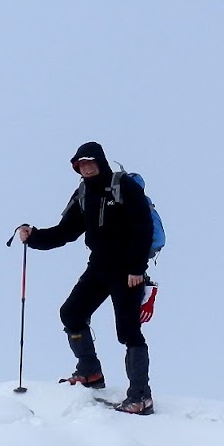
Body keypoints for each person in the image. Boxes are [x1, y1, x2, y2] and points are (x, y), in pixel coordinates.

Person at [16, 142, 154, 415]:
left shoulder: (124, 187)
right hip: (99, 267)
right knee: (72, 314)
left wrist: (137, 269)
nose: (86, 167)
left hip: (128, 272)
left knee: (128, 332)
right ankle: (90, 372)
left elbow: (143, 227)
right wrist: (34, 237)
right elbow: (66, 231)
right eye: (81, 164)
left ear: (100, 161)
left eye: (90, 162)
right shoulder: (83, 193)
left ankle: (141, 396)